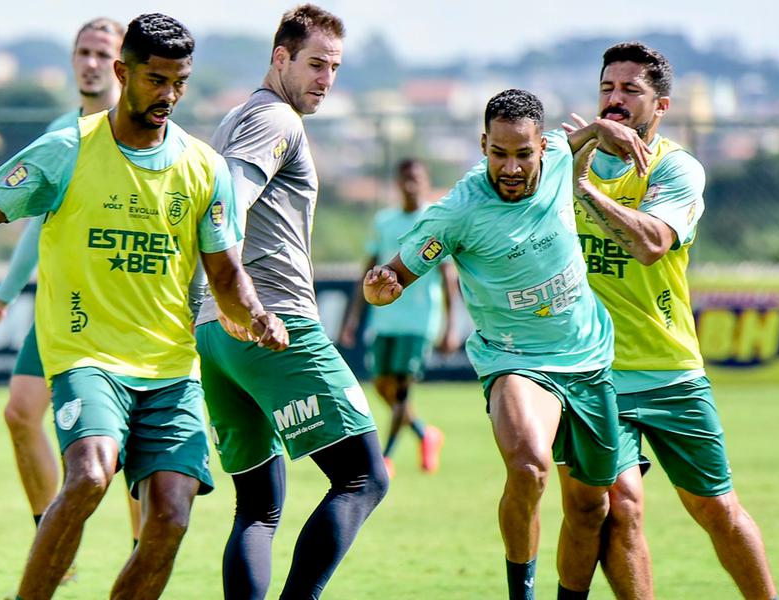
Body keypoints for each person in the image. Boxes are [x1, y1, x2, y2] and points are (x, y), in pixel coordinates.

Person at [0, 14, 289, 600]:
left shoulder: (203, 168)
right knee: (90, 474)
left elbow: (226, 276)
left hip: (170, 369)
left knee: (169, 517)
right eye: (154, 79)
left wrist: (258, 314)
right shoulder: (67, 150)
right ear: (122, 72)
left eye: (179, 82)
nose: (167, 95)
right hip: (88, 357)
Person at [363, 88, 651, 599]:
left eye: (522, 153)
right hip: (514, 358)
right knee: (528, 466)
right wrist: (380, 285)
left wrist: (602, 130)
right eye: (499, 153)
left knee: (592, 507)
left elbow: (578, 136)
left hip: (587, 357)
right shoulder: (457, 211)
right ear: (483, 145)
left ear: (542, 146)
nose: (511, 168)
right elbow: (396, 272)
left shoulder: (563, 156)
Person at [567, 42, 779, 599]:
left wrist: (583, 189)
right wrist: (577, 152)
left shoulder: (677, 168)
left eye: (630, 91)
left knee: (718, 510)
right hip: (593, 375)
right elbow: (502, 182)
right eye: (607, 89)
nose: (614, 101)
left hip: (670, 370)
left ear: (659, 107)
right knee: (620, 507)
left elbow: (651, 243)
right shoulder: (562, 159)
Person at [191, 5, 388, 599]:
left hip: (216, 333)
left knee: (257, 507)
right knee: (363, 477)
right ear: (281, 58)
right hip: (269, 321)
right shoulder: (277, 120)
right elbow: (228, 211)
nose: (326, 78)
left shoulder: (235, 118)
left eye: (334, 67)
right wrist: (249, 308)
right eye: (315, 64)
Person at [0, 17, 143, 554]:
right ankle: (53, 544)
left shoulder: (138, 130)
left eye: (99, 52)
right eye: (81, 51)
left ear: (121, 64)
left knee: (134, 445)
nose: (89, 62)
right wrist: (0, 301)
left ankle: (140, 555)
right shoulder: (63, 134)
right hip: (63, 305)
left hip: (126, 309)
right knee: (19, 413)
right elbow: (33, 228)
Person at [339, 158, 454, 477]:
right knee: (382, 385)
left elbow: (448, 276)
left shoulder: (434, 219)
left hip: (419, 320)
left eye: (416, 177)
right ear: (398, 182)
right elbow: (368, 270)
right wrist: (352, 319)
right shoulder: (384, 221)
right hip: (385, 319)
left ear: (426, 181)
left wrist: (449, 326)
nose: (411, 184)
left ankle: (385, 458)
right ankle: (424, 433)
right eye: (405, 178)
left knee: (402, 388)